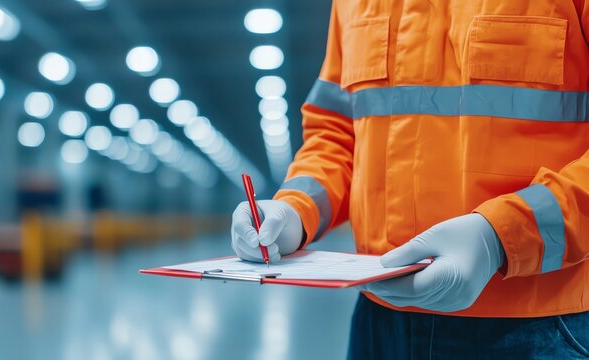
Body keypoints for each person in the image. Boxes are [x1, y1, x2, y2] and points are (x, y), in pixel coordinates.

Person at [231, 0, 589, 359]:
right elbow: (338, 133)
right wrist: (295, 209)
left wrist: (501, 237)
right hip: (380, 320)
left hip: (540, 325)